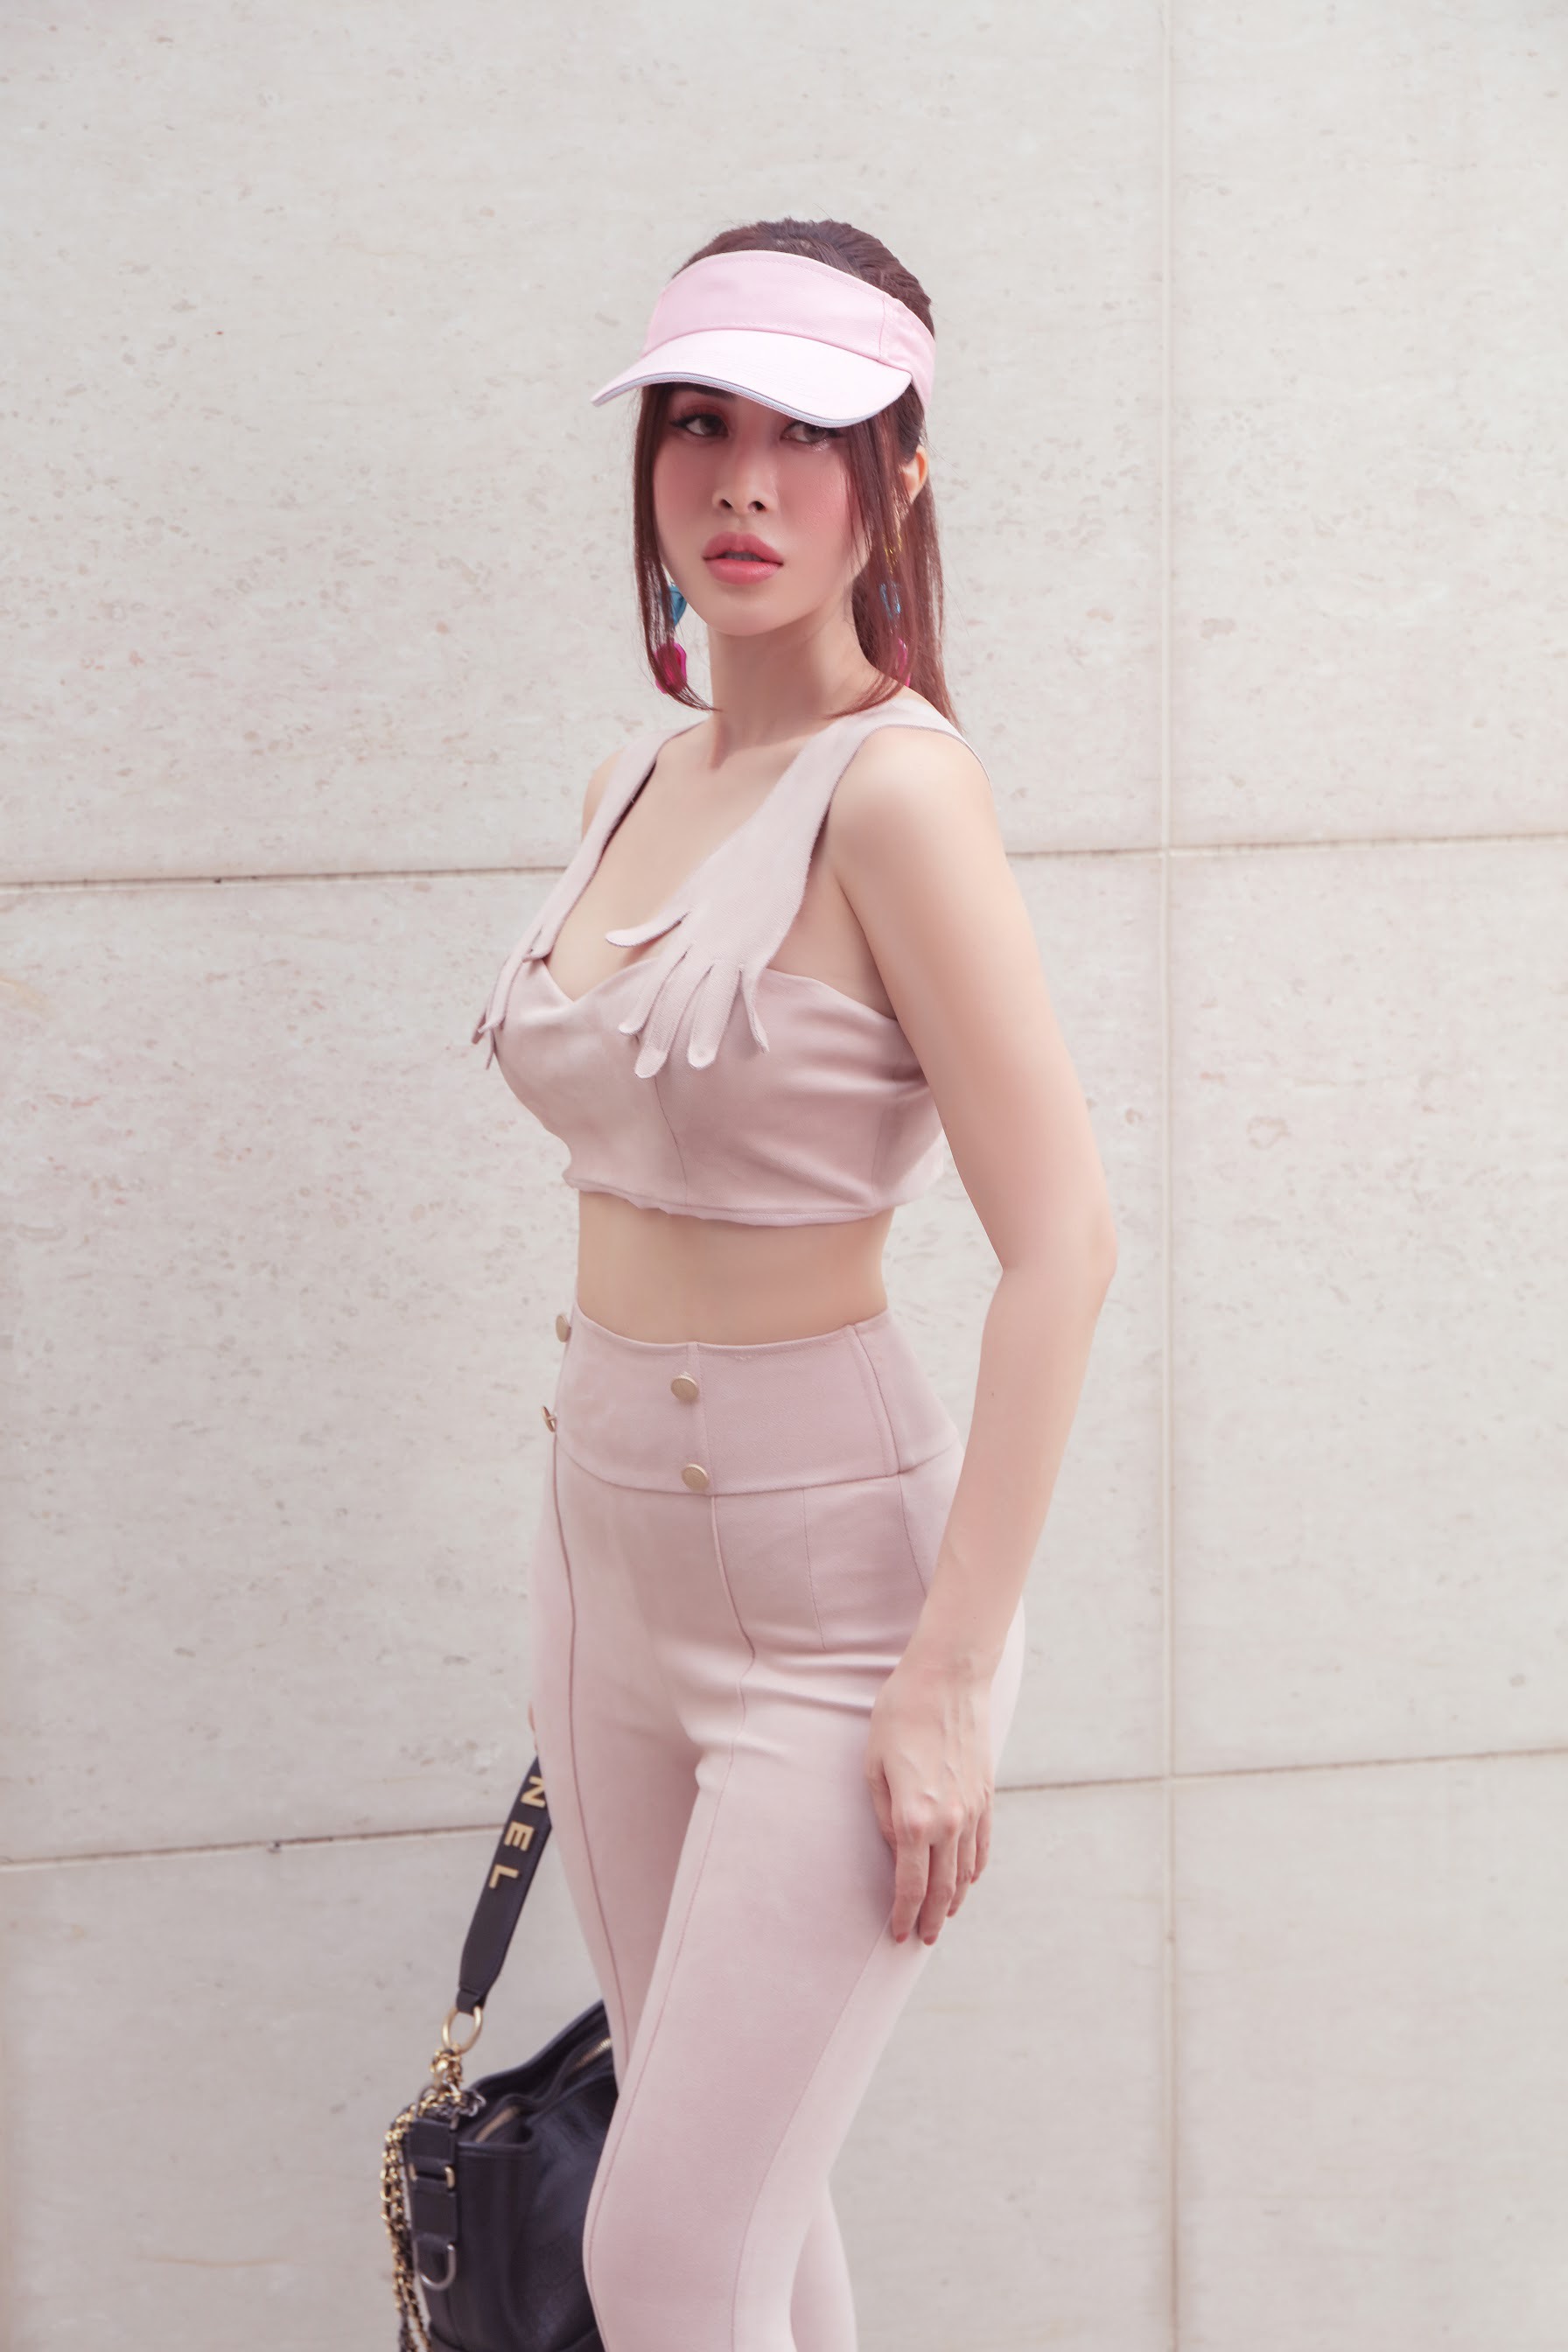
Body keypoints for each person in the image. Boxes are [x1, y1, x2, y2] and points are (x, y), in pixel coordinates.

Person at [471, 217, 1117, 2352]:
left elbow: (1062, 1244)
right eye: (697, 425)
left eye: (807, 436)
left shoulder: (897, 793)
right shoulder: (634, 780)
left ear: (892, 477)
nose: (741, 483)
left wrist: (946, 1680)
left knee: (661, 2252)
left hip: (836, 1612)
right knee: (733, 2217)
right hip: (605, 1567)